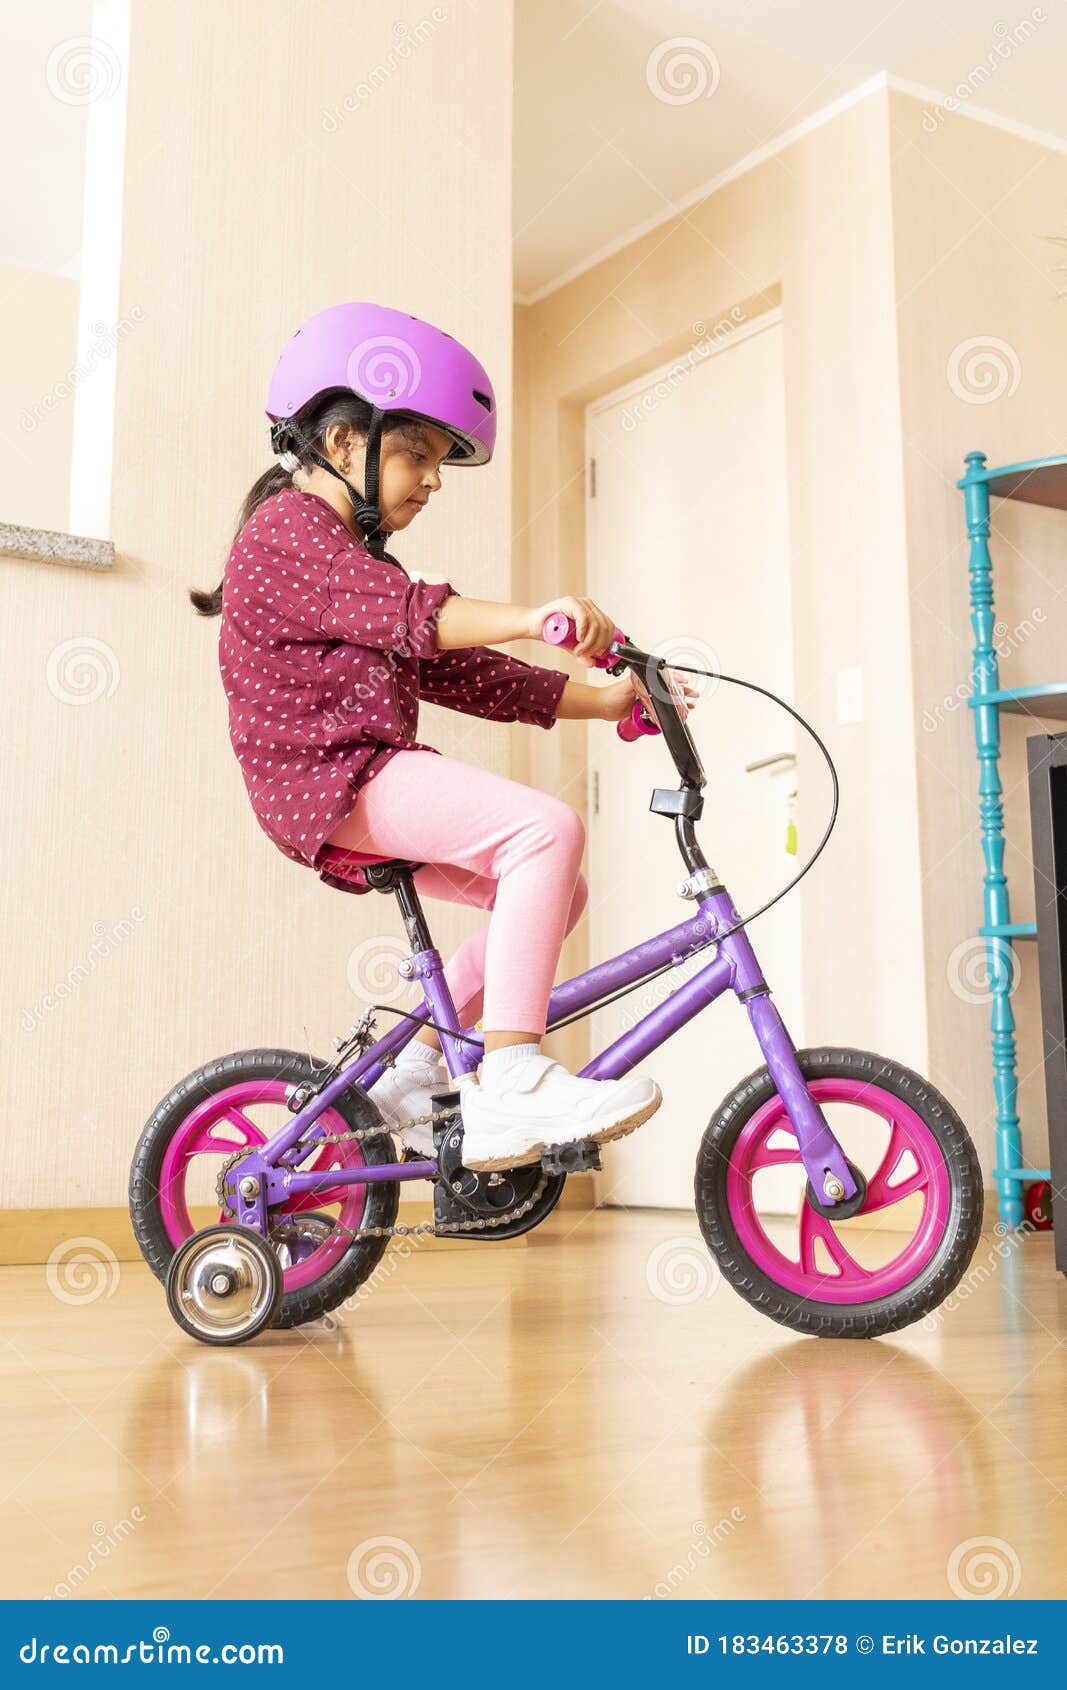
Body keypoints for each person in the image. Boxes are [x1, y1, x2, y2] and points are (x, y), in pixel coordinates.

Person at [191, 302, 692, 1171]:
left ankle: (412, 1073)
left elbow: (467, 675)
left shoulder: (358, 561)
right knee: (547, 829)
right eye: (415, 453)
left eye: (438, 463)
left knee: (554, 891)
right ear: (343, 442)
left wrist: (603, 703)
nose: (430, 479)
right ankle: (512, 1079)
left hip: (360, 780)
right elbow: (413, 615)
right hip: (336, 779)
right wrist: (538, 615)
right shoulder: (286, 535)